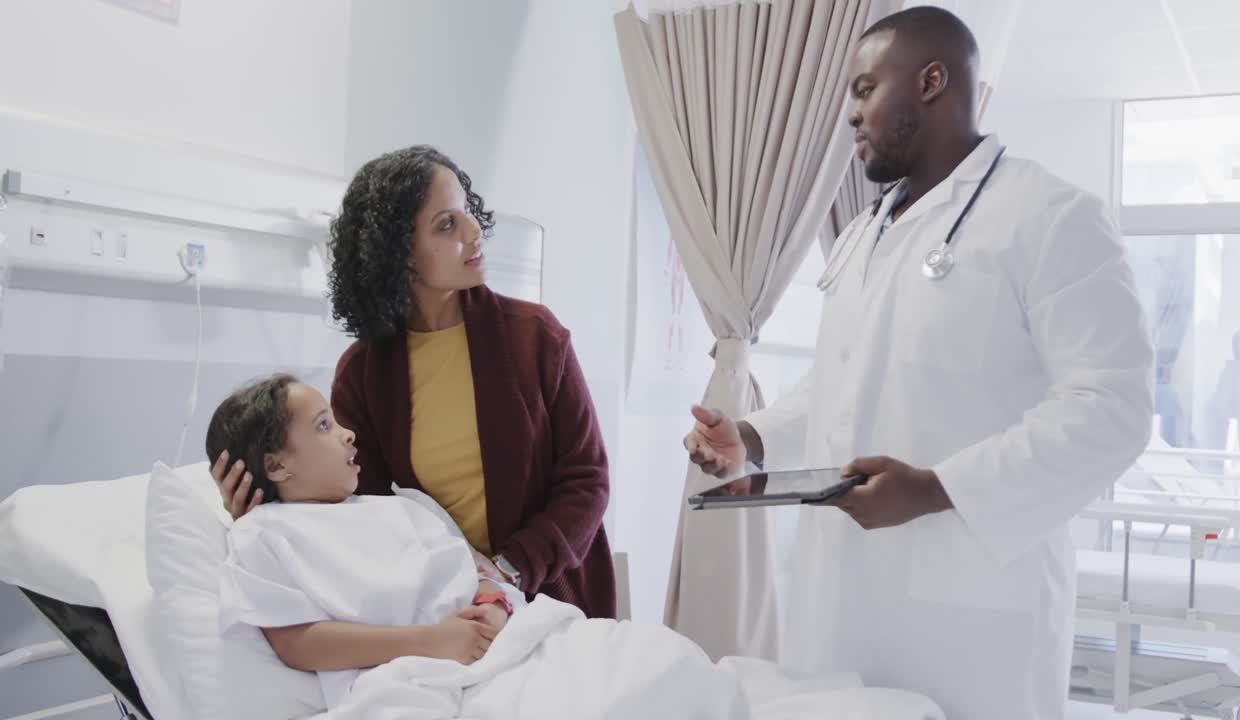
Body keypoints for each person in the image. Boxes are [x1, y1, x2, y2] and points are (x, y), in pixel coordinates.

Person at [683, 7, 1153, 719]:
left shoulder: (1050, 217)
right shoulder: (865, 232)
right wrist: (749, 437)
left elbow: (1112, 408)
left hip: (972, 615)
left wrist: (939, 488)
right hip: (841, 597)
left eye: (866, 88)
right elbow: (842, 381)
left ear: (931, 82)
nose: (850, 114)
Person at [211, 145, 615, 619]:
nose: (474, 231)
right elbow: (357, 508)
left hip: (550, 596)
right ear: (397, 254)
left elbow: (587, 481)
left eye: (467, 212)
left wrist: (506, 569)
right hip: (440, 608)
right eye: (446, 224)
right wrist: (261, 512)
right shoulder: (363, 374)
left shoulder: (535, 336)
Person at [206, 375, 518, 707]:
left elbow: (476, 576)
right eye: (324, 425)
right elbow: (298, 643)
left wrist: (494, 607)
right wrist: (431, 642)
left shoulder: (400, 508)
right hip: (409, 683)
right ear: (277, 464)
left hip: (500, 646)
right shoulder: (263, 533)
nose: (349, 433)